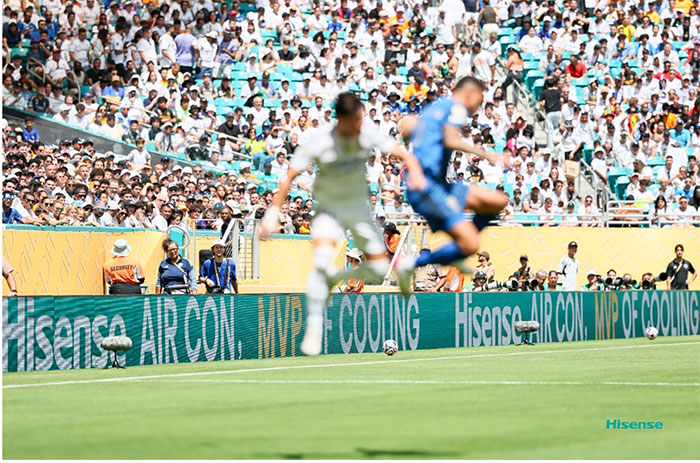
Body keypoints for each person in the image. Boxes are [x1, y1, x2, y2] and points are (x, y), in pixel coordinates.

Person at [259, 92, 426, 356]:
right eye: (356, 119)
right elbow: (289, 175)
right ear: (341, 119)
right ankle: (314, 326)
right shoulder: (321, 140)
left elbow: (401, 153)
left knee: (378, 268)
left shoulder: (366, 133)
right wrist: (272, 214)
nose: (360, 123)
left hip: (358, 207)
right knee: (322, 260)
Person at [398, 76, 510, 294]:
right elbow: (450, 140)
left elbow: (412, 126)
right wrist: (487, 154)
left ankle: (460, 246)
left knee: (497, 201)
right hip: (426, 188)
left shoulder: (437, 107)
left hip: (440, 185)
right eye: (480, 99)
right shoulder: (456, 108)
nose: (479, 106)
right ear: (469, 94)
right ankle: (413, 263)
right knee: (471, 245)